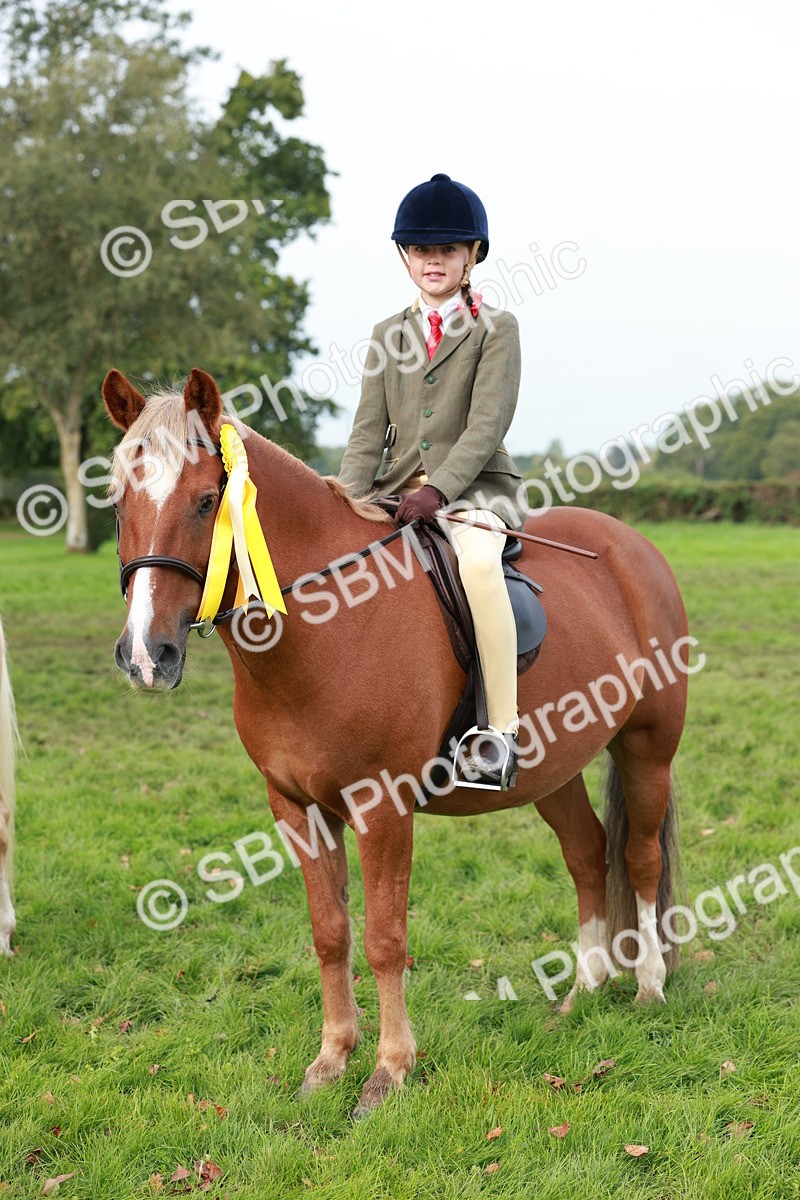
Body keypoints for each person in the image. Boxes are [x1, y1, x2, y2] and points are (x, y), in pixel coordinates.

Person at [338, 173, 528, 789]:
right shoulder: (385, 335)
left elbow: (485, 425)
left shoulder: (496, 329)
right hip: (395, 493)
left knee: (475, 565)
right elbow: (368, 432)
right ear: (405, 256)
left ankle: (499, 734)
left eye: (447, 250)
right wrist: (347, 500)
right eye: (421, 251)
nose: (433, 262)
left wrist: (437, 491)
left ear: (472, 255)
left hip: (473, 490)